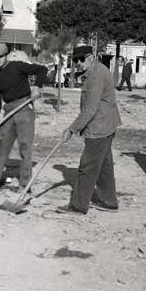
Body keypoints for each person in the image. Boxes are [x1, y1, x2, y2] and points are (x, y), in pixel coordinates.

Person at [60, 46, 121, 214]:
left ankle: (77, 207)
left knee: (86, 167)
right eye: (75, 60)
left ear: (91, 56)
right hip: (106, 125)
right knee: (104, 166)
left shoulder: (96, 75)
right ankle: (109, 202)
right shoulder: (96, 71)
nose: (78, 63)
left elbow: (90, 109)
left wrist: (71, 129)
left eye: (81, 59)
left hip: (99, 128)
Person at [0, 43, 47, 190]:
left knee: (25, 147)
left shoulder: (17, 66)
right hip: (8, 111)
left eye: (1, 56)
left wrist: (37, 87)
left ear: (6, 55)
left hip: (24, 108)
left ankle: (25, 184)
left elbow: (42, 70)